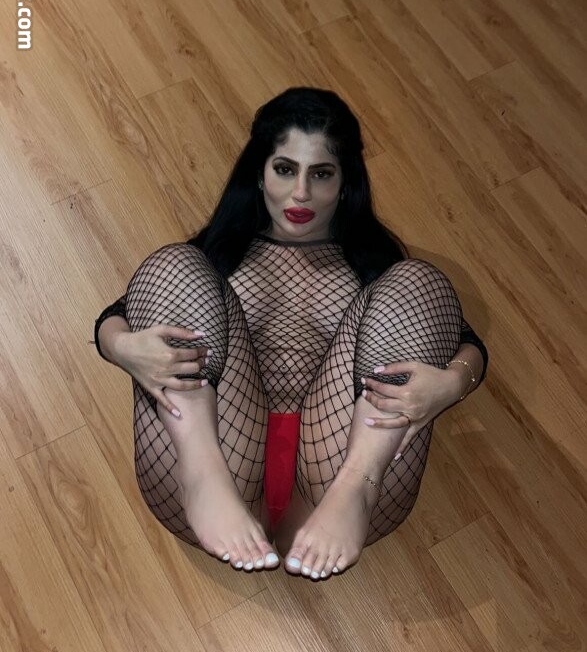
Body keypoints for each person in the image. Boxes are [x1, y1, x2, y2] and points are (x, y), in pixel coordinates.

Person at [94, 87, 488, 581]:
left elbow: (464, 339)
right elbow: (117, 314)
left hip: (338, 467)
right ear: (259, 174)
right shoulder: (218, 254)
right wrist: (122, 347)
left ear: (345, 184)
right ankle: (201, 476)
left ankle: (357, 487)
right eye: (285, 169)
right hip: (223, 451)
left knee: (418, 279)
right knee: (174, 261)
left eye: (320, 174)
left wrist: (453, 383)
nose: (301, 193)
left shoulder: (372, 264)